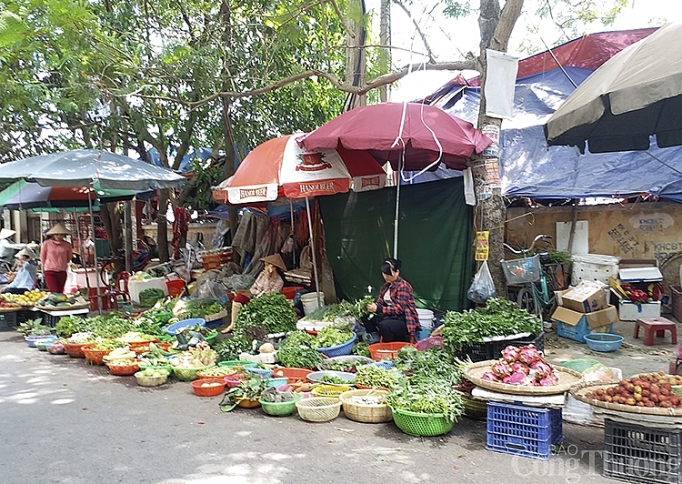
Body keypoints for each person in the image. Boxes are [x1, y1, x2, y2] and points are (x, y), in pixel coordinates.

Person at [222, 253, 286, 334]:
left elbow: (269, 296)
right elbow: (253, 288)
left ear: (274, 268)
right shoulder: (262, 274)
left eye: (267, 266)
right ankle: (233, 324)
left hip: (266, 304)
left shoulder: (279, 281)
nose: (265, 268)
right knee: (238, 298)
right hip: (254, 298)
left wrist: (267, 279)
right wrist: (258, 293)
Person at [364, 257, 420, 344]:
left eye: (389, 274)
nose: (386, 276)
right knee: (365, 313)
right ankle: (375, 336)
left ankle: (388, 344)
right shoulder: (386, 286)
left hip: (404, 320)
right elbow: (380, 302)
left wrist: (379, 309)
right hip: (391, 316)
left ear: (397, 272)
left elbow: (399, 309)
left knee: (384, 326)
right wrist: (373, 306)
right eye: (384, 273)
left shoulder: (403, 286)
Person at [40, 223, 73, 294]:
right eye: (57, 234)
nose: (59, 236)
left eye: (61, 234)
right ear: (53, 235)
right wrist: (48, 265)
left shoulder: (67, 245)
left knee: (60, 292)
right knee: (54, 291)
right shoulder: (46, 244)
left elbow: (68, 257)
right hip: (50, 271)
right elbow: (42, 257)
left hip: (62, 271)